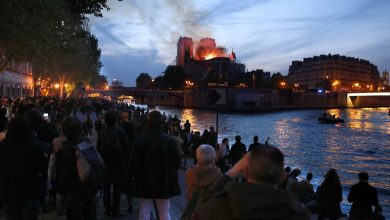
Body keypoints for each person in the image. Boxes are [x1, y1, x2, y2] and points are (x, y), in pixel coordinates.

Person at [197, 145, 310, 220]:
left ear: (245, 172)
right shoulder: (299, 214)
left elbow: (198, 211)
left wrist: (231, 172)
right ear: (281, 177)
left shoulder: (219, 205)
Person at [130, 110, 181, 220]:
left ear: (148, 122)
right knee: (164, 211)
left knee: (144, 210)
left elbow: (134, 164)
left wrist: (134, 177)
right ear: (161, 123)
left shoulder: (141, 140)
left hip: (145, 182)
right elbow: (177, 163)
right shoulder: (170, 141)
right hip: (164, 182)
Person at [0, 116, 47, 220]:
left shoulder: (3, 147)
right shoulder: (34, 146)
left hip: (9, 192)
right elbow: (43, 166)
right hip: (30, 191)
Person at [54, 117, 98, 220]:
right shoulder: (88, 145)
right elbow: (99, 166)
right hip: (89, 193)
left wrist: (62, 192)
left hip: (72, 195)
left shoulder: (63, 150)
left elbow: (59, 175)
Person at [97, 111, 129, 217]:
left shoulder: (101, 133)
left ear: (105, 120)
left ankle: (107, 209)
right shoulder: (121, 132)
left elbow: (98, 149)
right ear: (116, 120)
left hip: (105, 164)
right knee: (117, 189)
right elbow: (127, 149)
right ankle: (115, 211)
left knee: (106, 188)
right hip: (118, 164)